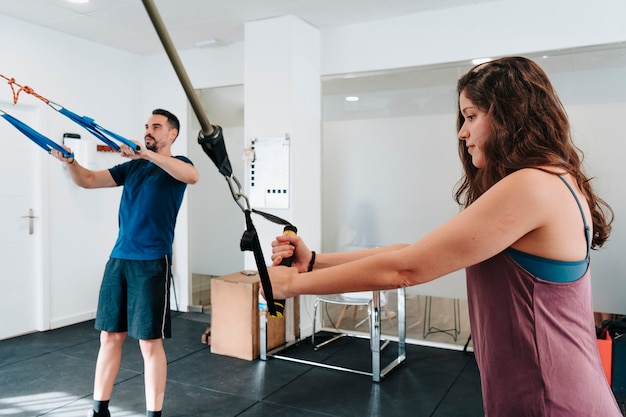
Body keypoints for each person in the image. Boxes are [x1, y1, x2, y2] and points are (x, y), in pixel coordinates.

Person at [268, 57, 622, 416]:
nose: (462, 132)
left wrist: (290, 286)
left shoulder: (531, 186)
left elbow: (407, 269)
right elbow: (416, 253)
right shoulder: (554, 179)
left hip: (552, 400)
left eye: (471, 116)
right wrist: (313, 262)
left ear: (509, 115)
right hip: (557, 392)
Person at [52, 109, 199, 417]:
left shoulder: (178, 165)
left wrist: (145, 153)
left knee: (148, 342)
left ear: (172, 134)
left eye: (156, 126)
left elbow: (192, 177)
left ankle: (153, 413)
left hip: (151, 262)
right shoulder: (133, 169)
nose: (149, 130)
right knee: (110, 337)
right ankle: (99, 409)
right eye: (147, 125)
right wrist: (70, 163)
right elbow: (89, 180)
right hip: (119, 259)